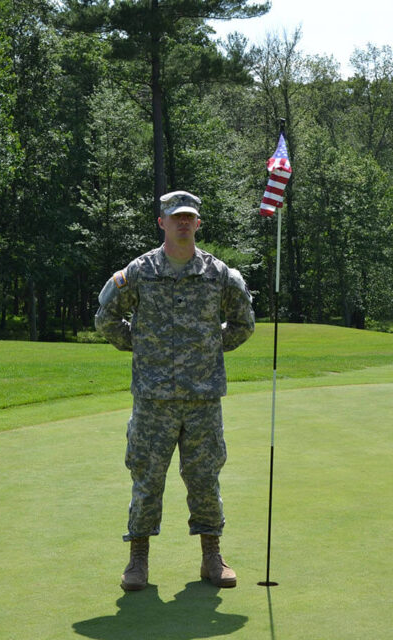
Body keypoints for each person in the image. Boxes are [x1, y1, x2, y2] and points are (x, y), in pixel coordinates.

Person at [95, 190, 256, 591]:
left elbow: (244, 323)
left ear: (198, 224)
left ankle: (211, 557)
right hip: (153, 400)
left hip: (203, 399)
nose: (183, 223)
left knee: (204, 478)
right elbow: (106, 317)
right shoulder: (139, 272)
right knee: (147, 479)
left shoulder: (219, 275)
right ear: (162, 222)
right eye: (175, 217)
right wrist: (139, 344)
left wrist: (211, 346)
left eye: (189, 217)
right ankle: (138, 562)